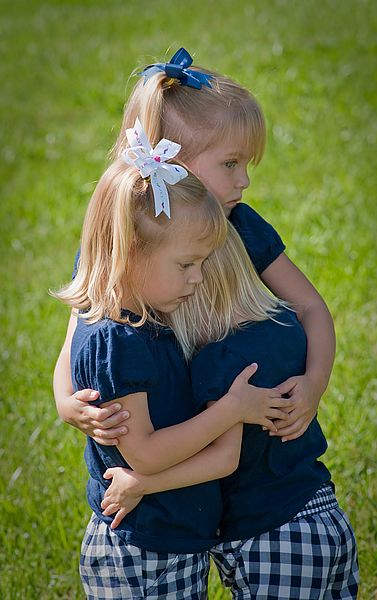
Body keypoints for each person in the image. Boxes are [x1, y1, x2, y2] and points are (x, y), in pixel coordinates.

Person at [53, 48, 336, 447]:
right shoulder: (125, 238)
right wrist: (66, 403)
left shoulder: (240, 225)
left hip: (225, 432)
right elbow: (77, 337)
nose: (244, 181)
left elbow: (310, 306)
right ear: (172, 160)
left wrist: (314, 383)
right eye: (230, 164)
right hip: (163, 434)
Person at [52, 140, 292, 598]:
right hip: (140, 552)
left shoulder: (145, 325)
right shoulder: (115, 340)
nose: (198, 278)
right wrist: (232, 409)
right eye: (187, 264)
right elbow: (143, 454)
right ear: (129, 254)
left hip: (167, 541)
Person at [100, 223, 359, 599]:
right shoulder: (286, 323)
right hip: (324, 514)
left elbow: (225, 459)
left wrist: (142, 483)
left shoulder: (219, 359)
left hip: (269, 539)